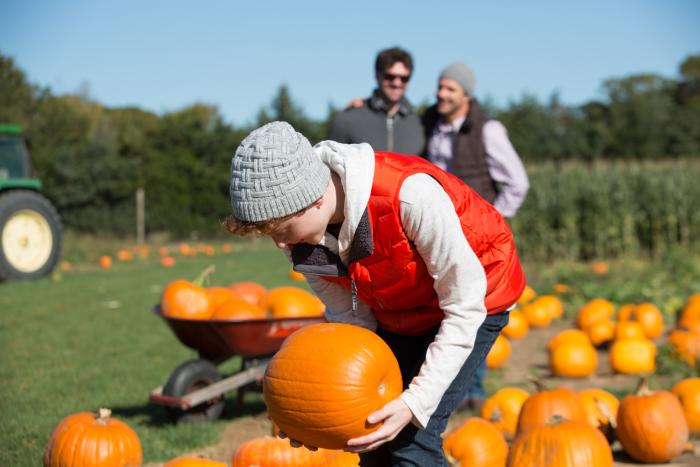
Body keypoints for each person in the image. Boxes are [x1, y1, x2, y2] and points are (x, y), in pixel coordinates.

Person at [225, 121, 525, 466]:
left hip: (475, 297)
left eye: (281, 229)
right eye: (269, 233)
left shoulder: (409, 196)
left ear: (314, 197)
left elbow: (464, 305)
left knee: (412, 438)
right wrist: (315, 409)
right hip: (400, 304)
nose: (279, 243)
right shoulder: (300, 238)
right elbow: (350, 322)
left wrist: (415, 402)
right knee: (368, 432)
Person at [422, 62, 530, 412]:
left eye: (450, 89)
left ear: (466, 94)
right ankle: (443, 390)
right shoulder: (431, 125)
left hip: (477, 238)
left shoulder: (488, 130)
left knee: (476, 311)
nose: (441, 94)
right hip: (437, 233)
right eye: (440, 87)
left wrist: (493, 219)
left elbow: (517, 182)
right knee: (442, 309)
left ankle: (473, 391)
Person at [327, 46, 425, 155]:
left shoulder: (421, 124)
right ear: (377, 76)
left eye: (404, 78)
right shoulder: (347, 120)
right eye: (390, 77)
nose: (397, 83)